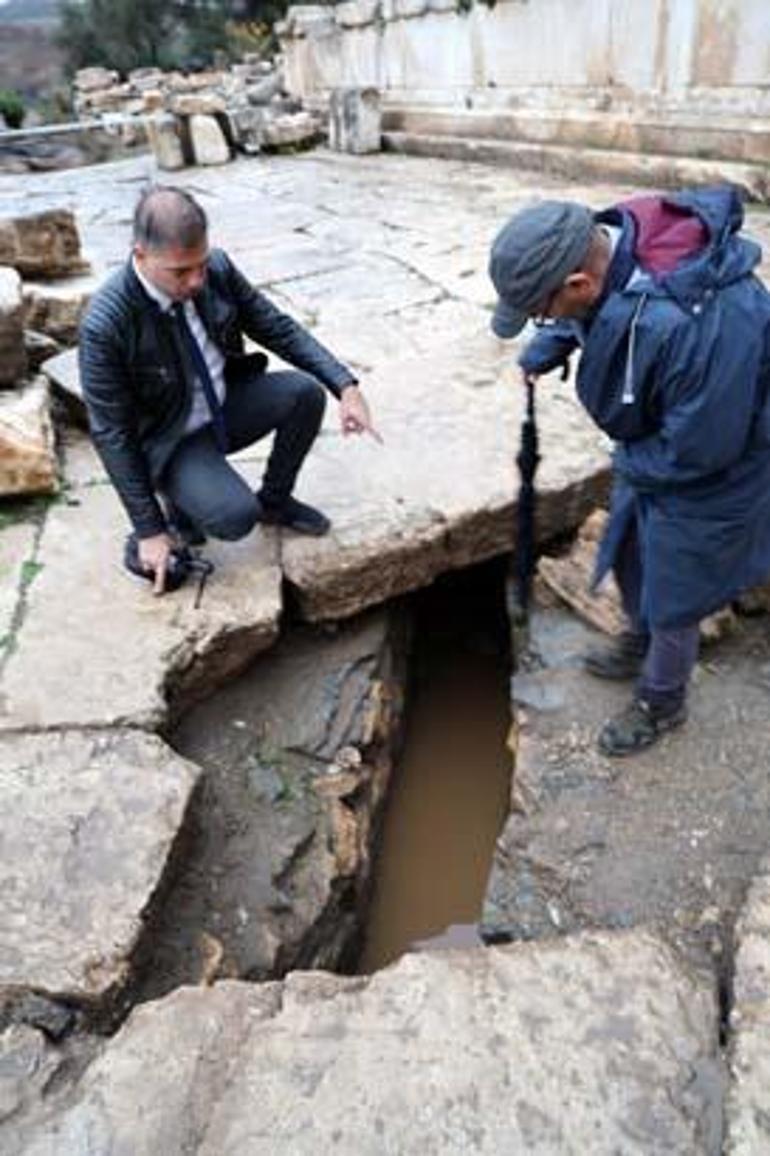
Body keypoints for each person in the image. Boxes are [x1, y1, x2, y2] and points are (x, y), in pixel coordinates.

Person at [488, 186, 770, 756]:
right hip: (665, 444)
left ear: (576, 285)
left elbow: (701, 450)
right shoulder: (613, 251)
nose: (544, 319)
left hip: (720, 461)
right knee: (634, 545)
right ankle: (638, 638)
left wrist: (627, 459)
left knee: (678, 587)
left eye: (543, 310)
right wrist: (549, 343)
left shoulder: (701, 323)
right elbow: (599, 306)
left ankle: (662, 701)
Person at [80, 185, 378, 594]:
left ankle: (275, 501)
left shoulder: (216, 270)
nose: (196, 280)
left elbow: (277, 328)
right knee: (235, 518)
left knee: (304, 393)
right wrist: (148, 529)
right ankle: (177, 506)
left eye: (200, 263)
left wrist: (345, 385)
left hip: (222, 406)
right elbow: (111, 433)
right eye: (180, 271)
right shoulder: (106, 323)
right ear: (140, 255)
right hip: (172, 438)